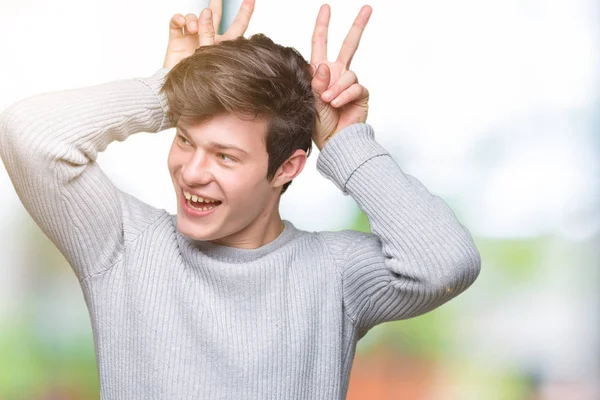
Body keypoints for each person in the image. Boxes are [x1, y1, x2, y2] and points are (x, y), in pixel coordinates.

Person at [0, 0, 481, 398]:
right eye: (186, 139)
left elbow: (445, 262)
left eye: (225, 157)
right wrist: (172, 87)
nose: (191, 172)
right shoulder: (123, 245)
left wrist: (345, 143)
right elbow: (31, 134)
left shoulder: (334, 275)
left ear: (287, 167)